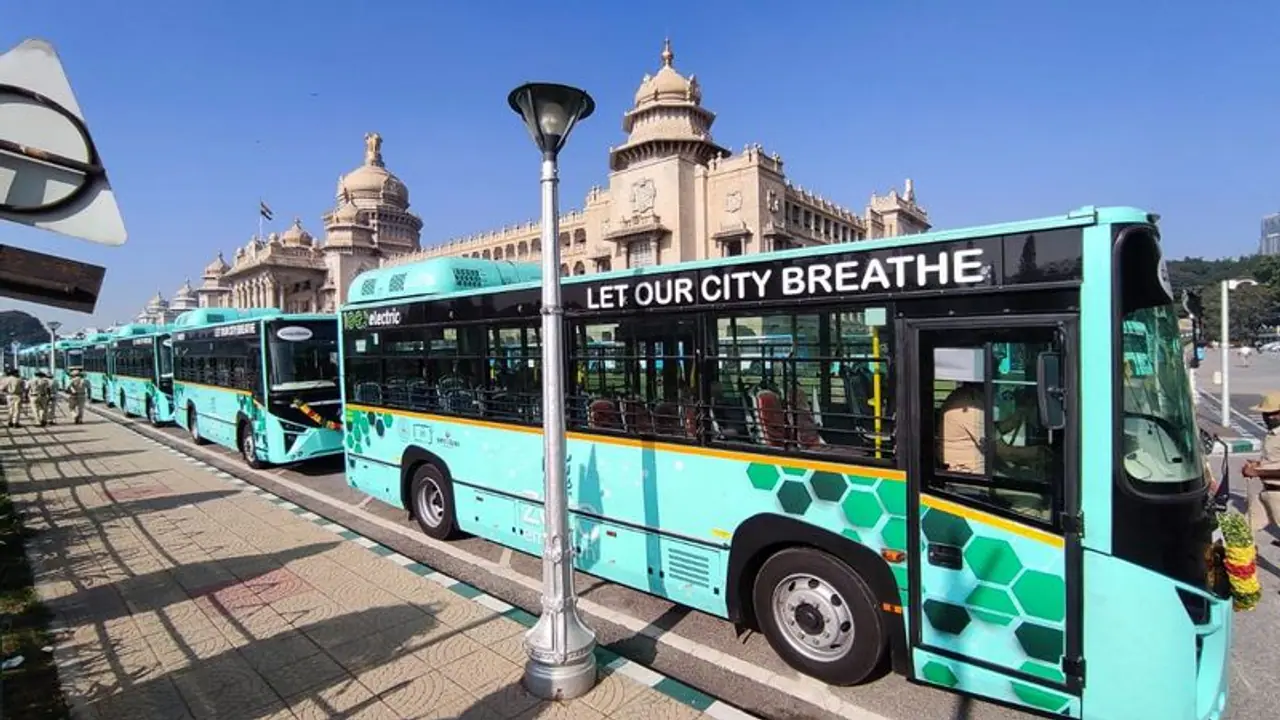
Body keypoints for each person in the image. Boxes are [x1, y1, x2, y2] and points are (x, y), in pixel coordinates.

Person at [1240, 391, 1280, 539]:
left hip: (1278, 493)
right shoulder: (1273, 433)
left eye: (1273, 413)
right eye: (1265, 414)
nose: (1268, 417)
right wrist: (1258, 465)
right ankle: (1240, 560)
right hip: (1266, 493)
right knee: (1244, 529)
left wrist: (1257, 473)